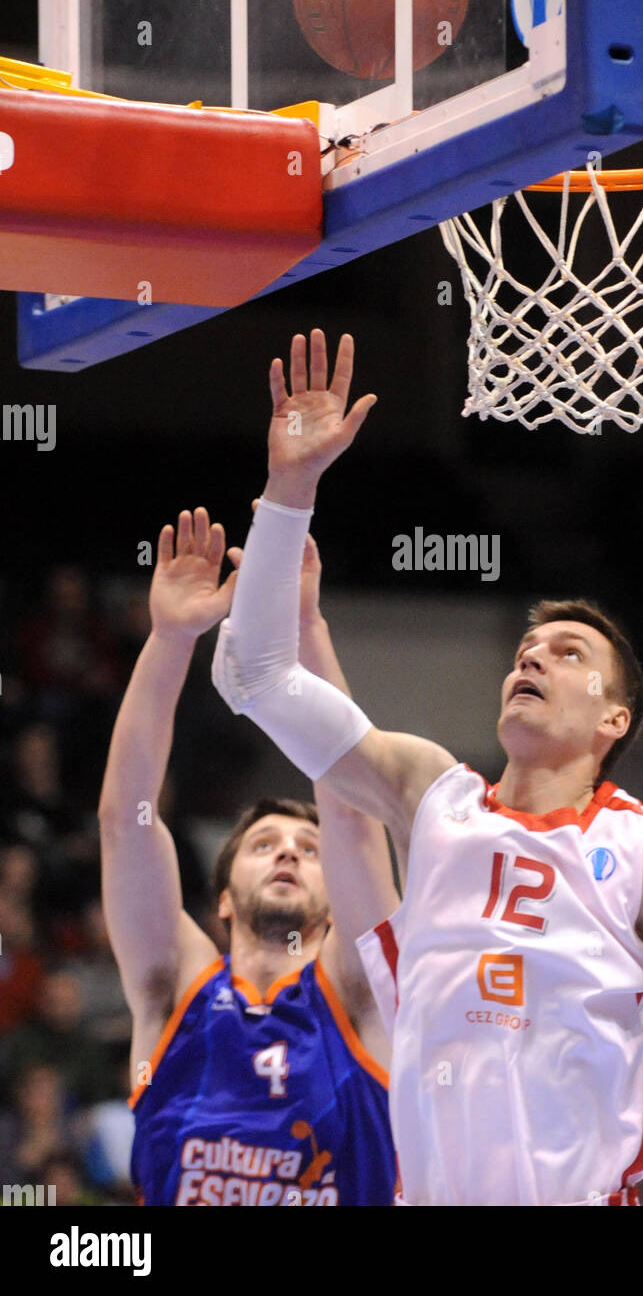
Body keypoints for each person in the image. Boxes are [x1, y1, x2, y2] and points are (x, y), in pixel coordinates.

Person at [213, 329, 643, 1207]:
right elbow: (253, 673)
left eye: (565, 651)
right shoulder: (431, 790)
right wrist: (290, 486)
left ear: (614, 717)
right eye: (525, 649)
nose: (532, 659)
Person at [98, 507, 397, 1205]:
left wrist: (307, 631)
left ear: (335, 906)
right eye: (264, 844)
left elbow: (352, 817)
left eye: (308, 849)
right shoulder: (172, 987)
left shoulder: (361, 993)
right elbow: (126, 822)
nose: (289, 853)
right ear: (224, 898)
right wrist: (170, 640)